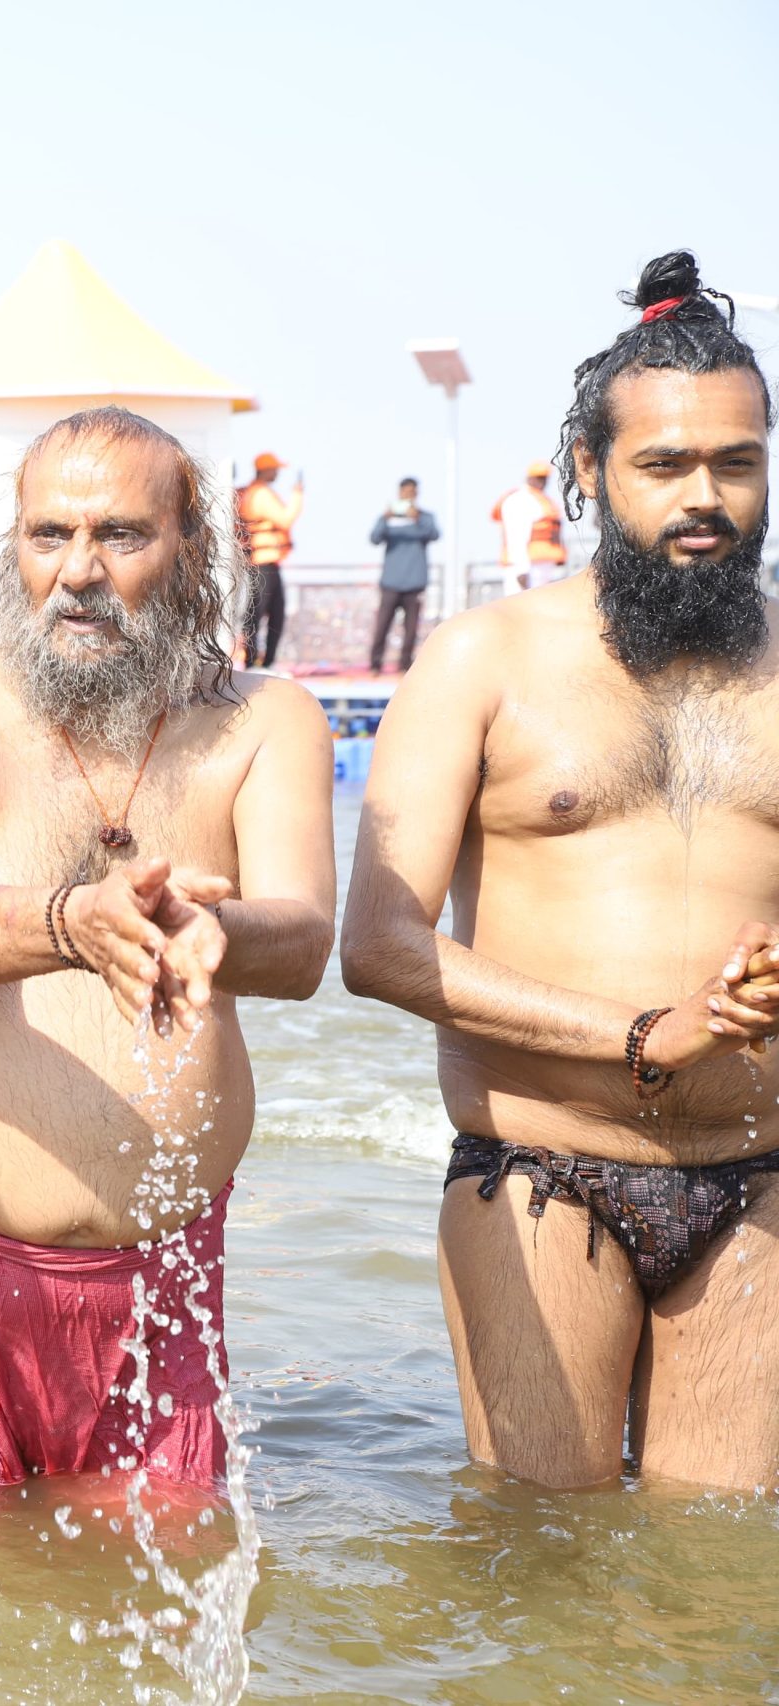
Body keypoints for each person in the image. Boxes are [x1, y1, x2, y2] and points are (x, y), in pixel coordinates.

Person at [341, 249, 779, 1490]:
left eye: (737, 464)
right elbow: (376, 944)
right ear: (587, 473)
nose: (706, 497)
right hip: (541, 1169)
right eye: (664, 465)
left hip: (760, 1181)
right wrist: (644, 1030)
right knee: (539, 1568)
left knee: (717, 1584)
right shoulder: (483, 659)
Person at [0, 405, 336, 1505]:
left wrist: (220, 931)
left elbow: (304, 935)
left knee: (164, 1613)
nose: (77, 571)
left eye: (120, 535)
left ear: (192, 548)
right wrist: (75, 921)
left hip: (163, 1270)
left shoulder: (266, 719)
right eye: (46, 536)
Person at [236, 451, 301, 669]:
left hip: (263, 561)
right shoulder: (261, 494)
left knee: (270, 610)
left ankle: (262, 660)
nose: (277, 474)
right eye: (275, 469)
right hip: (262, 562)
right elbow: (285, 519)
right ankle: (254, 661)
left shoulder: (253, 492)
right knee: (260, 611)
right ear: (266, 470)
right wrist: (298, 495)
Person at [367, 477, 439, 675]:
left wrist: (417, 519)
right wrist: (385, 518)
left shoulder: (425, 517)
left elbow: (434, 534)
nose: (408, 496)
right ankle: (375, 665)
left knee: (411, 629)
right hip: (391, 582)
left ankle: (404, 666)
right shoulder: (389, 519)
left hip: (415, 582)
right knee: (382, 625)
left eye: (411, 492)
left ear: (416, 494)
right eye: (404, 493)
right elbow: (374, 538)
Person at [494, 459, 571, 590]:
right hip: (526, 567)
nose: (542, 482)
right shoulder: (520, 499)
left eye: (544, 478)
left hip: (541, 565)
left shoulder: (542, 499)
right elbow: (516, 535)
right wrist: (521, 569)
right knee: (519, 606)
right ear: (529, 478)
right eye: (539, 478)